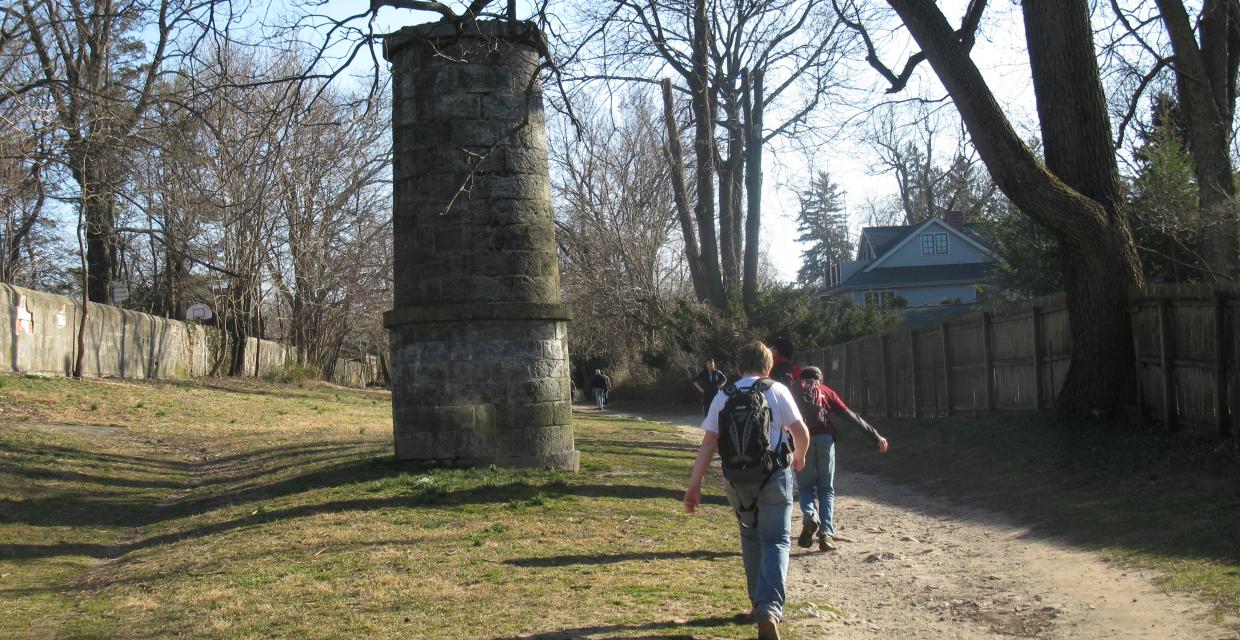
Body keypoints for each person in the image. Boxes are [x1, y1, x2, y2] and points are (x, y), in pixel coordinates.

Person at [684, 341, 810, 640]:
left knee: (750, 537)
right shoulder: (777, 390)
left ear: (739, 367)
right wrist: (800, 457)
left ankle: (757, 604)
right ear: (768, 366)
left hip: (736, 481)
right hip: (774, 476)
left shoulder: (723, 396)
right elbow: (801, 433)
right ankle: (769, 608)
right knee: (776, 540)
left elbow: (709, 445)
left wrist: (694, 487)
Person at [793, 366, 889, 552]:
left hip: (801, 441)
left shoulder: (791, 390)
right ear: (819, 379)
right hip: (825, 440)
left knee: (805, 487)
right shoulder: (825, 391)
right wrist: (876, 436)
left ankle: (811, 515)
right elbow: (851, 417)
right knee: (826, 489)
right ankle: (826, 534)